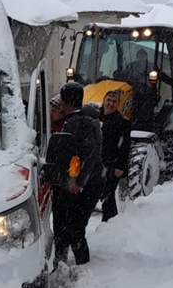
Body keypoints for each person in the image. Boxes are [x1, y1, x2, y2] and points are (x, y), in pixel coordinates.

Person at [49, 82, 104, 265]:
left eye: (63, 99)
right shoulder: (81, 120)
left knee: (74, 228)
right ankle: (62, 259)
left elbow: (89, 154)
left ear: (67, 101)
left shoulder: (79, 123)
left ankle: (81, 266)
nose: (61, 104)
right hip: (81, 184)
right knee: (67, 227)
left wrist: (79, 182)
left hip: (84, 186)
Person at [98, 88, 131, 223]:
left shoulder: (122, 122)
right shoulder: (94, 116)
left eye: (114, 102)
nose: (110, 104)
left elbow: (125, 147)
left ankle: (110, 222)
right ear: (104, 100)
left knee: (107, 194)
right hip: (95, 162)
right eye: (108, 100)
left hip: (112, 164)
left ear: (118, 104)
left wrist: (120, 166)